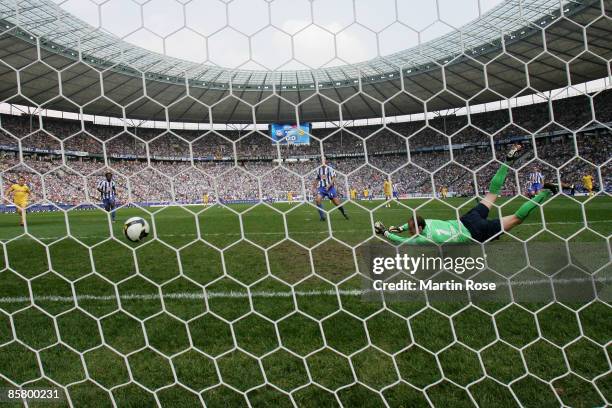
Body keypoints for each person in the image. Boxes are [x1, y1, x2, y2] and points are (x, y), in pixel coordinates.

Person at [375, 144, 559, 244]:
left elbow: (402, 243)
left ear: (420, 230)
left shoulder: (425, 239)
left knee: (516, 219)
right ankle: (507, 161)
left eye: (413, 231)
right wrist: (400, 227)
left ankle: (545, 192)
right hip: (466, 219)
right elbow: (414, 224)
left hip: (473, 231)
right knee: (491, 194)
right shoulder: (427, 223)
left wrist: (385, 233)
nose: (412, 233)